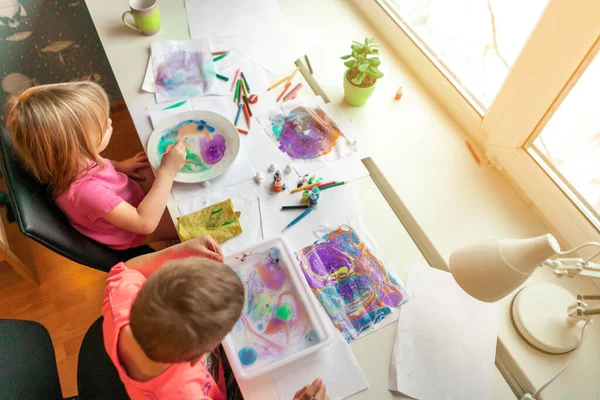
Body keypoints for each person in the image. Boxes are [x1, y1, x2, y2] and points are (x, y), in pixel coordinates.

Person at [103, 235, 329, 400]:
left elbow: (126, 270)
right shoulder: (185, 394)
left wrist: (179, 250)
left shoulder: (121, 301)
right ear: (204, 353)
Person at [4, 81, 185, 249]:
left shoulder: (66, 159)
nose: (110, 123)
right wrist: (167, 172)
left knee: (154, 165)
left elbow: (97, 164)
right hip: (134, 230)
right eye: (103, 126)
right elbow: (145, 223)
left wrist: (120, 166)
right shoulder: (87, 192)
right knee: (186, 214)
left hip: (124, 198)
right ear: (79, 146)